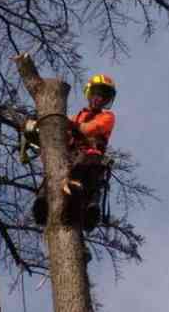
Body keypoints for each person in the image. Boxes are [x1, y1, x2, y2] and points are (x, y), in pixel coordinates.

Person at [33, 74, 116, 230]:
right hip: (69, 156)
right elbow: (62, 136)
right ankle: (43, 202)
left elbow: (90, 129)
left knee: (88, 169)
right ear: (90, 94)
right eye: (97, 94)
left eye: (104, 96)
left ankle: (90, 208)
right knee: (53, 172)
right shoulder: (78, 116)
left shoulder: (107, 117)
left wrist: (70, 125)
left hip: (90, 158)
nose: (100, 99)